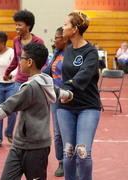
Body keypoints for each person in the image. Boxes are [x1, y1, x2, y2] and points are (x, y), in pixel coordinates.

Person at [0, 43, 73, 180]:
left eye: (20, 58)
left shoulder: (30, 87)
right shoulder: (47, 81)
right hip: (19, 145)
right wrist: (70, 95)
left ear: (29, 62)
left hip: (36, 148)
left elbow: (5, 108)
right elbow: (61, 93)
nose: (18, 62)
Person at [57, 11, 101, 180]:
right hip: (65, 108)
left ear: (74, 29)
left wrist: (66, 89)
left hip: (88, 107)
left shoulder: (90, 52)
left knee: (82, 152)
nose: (63, 27)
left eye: (66, 24)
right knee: (68, 152)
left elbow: (83, 75)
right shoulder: (66, 49)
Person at [42, 27, 68, 177]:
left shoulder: (73, 54)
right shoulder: (57, 54)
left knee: (69, 132)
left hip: (70, 97)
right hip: (56, 97)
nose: (54, 40)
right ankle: (61, 162)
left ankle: (73, 160)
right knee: (58, 133)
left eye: (56, 37)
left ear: (64, 39)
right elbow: (48, 71)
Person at [3, 10, 44, 89]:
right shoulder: (16, 40)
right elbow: (15, 60)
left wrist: (40, 78)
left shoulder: (38, 41)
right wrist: (7, 73)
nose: (17, 27)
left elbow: (43, 63)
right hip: (19, 81)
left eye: (20, 25)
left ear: (28, 26)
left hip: (34, 81)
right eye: (16, 25)